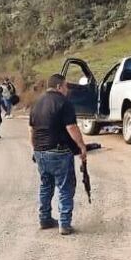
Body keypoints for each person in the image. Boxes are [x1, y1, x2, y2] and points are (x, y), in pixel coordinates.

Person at [29, 74, 87, 235]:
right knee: (65, 187)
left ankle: (44, 219)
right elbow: (71, 127)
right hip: (59, 152)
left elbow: (31, 130)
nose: (67, 90)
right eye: (66, 86)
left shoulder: (37, 103)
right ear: (59, 86)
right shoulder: (64, 103)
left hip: (40, 151)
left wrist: (35, 149)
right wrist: (81, 146)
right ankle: (65, 224)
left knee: (45, 186)